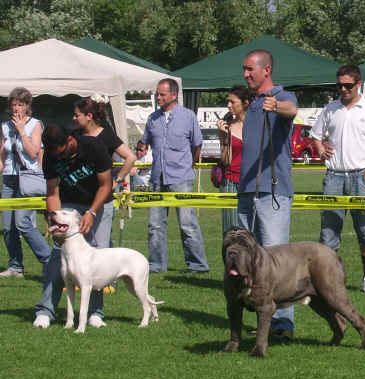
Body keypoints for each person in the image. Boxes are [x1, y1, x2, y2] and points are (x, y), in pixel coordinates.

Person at [311, 64, 365, 295]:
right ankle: (331, 280)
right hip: (334, 176)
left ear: (358, 84)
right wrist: (320, 149)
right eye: (339, 85)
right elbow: (316, 135)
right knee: (329, 231)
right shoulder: (330, 108)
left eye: (348, 85)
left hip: (361, 176)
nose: (343, 89)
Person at [238, 49, 298, 338]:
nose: (246, 74)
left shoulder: (281, 96)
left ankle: (284, 323)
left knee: (277, 261)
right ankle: (266, 321)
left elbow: (292, 110)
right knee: (255, 262)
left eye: (251, 69)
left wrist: (275, 106)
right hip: (247, 193)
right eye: (244, 69)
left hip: (272, 193)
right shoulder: (252, 104)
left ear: (267, 69)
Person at [33, 125, 114, 328]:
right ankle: (45, 311)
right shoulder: (51, 155)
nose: (57, 158)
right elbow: (52, 192)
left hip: (98, 202)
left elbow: (106, 185)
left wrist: (92, 212)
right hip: (69, 206)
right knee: (58, 255)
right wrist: (55, 223)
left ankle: (95, 313)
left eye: (60, 153)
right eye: (53, 154)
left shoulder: (94, 147)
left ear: (69, 141)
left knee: (98, 256)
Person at [140, 78, 209, 274]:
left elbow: (197, 144)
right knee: (154, 225)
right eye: (157, 94)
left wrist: (189, 164)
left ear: (174, 95)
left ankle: (198, 265)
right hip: (157, 178)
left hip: (181, 178)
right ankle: (156, 264)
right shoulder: (152, 118)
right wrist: (140, 147)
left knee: (187, 223)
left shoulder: (188, 117)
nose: (158, 97)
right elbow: (144, 142)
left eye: (162, 94)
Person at [0, 87, 51, 278]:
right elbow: (3, 154)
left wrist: (22, 130)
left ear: (27, 106)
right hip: (9, 178)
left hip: (28, 177)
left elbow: (33, 152)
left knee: (23, 223)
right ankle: (15, 266)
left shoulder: (35, 124)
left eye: (20, 104)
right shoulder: (5, 126)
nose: (16, 108)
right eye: (13, 104)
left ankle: (48, 259)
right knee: (8, 227)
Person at [73, 96, 137, 190]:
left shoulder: (107, 135)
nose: (73, 118)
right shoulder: (74, 135)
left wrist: (117, 180)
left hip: (102, 195)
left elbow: (131, 157)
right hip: (78, 194)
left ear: (89, 116)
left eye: (77, 115)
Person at [216, 86, 252, 235]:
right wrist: (224, 138)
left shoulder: (257, 125)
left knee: (252, 231)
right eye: (227, 102)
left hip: (252, 183)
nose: (228, 105)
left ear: (245, 103)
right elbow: (226, 161)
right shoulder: (228, 126)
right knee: (231, 232)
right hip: (231, 182)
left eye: (232, 102)